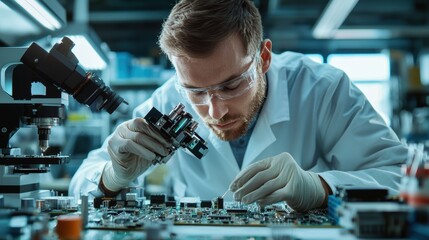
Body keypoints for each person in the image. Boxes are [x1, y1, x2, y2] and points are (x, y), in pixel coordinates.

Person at [70, 0, 408, 212]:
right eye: (195, 92)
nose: (214, 111)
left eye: (230, 85)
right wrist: (111, 177)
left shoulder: (322, 89)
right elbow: (79, 187)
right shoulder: (166, 101)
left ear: (262, 58)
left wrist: (321, 188)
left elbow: (404, 178)